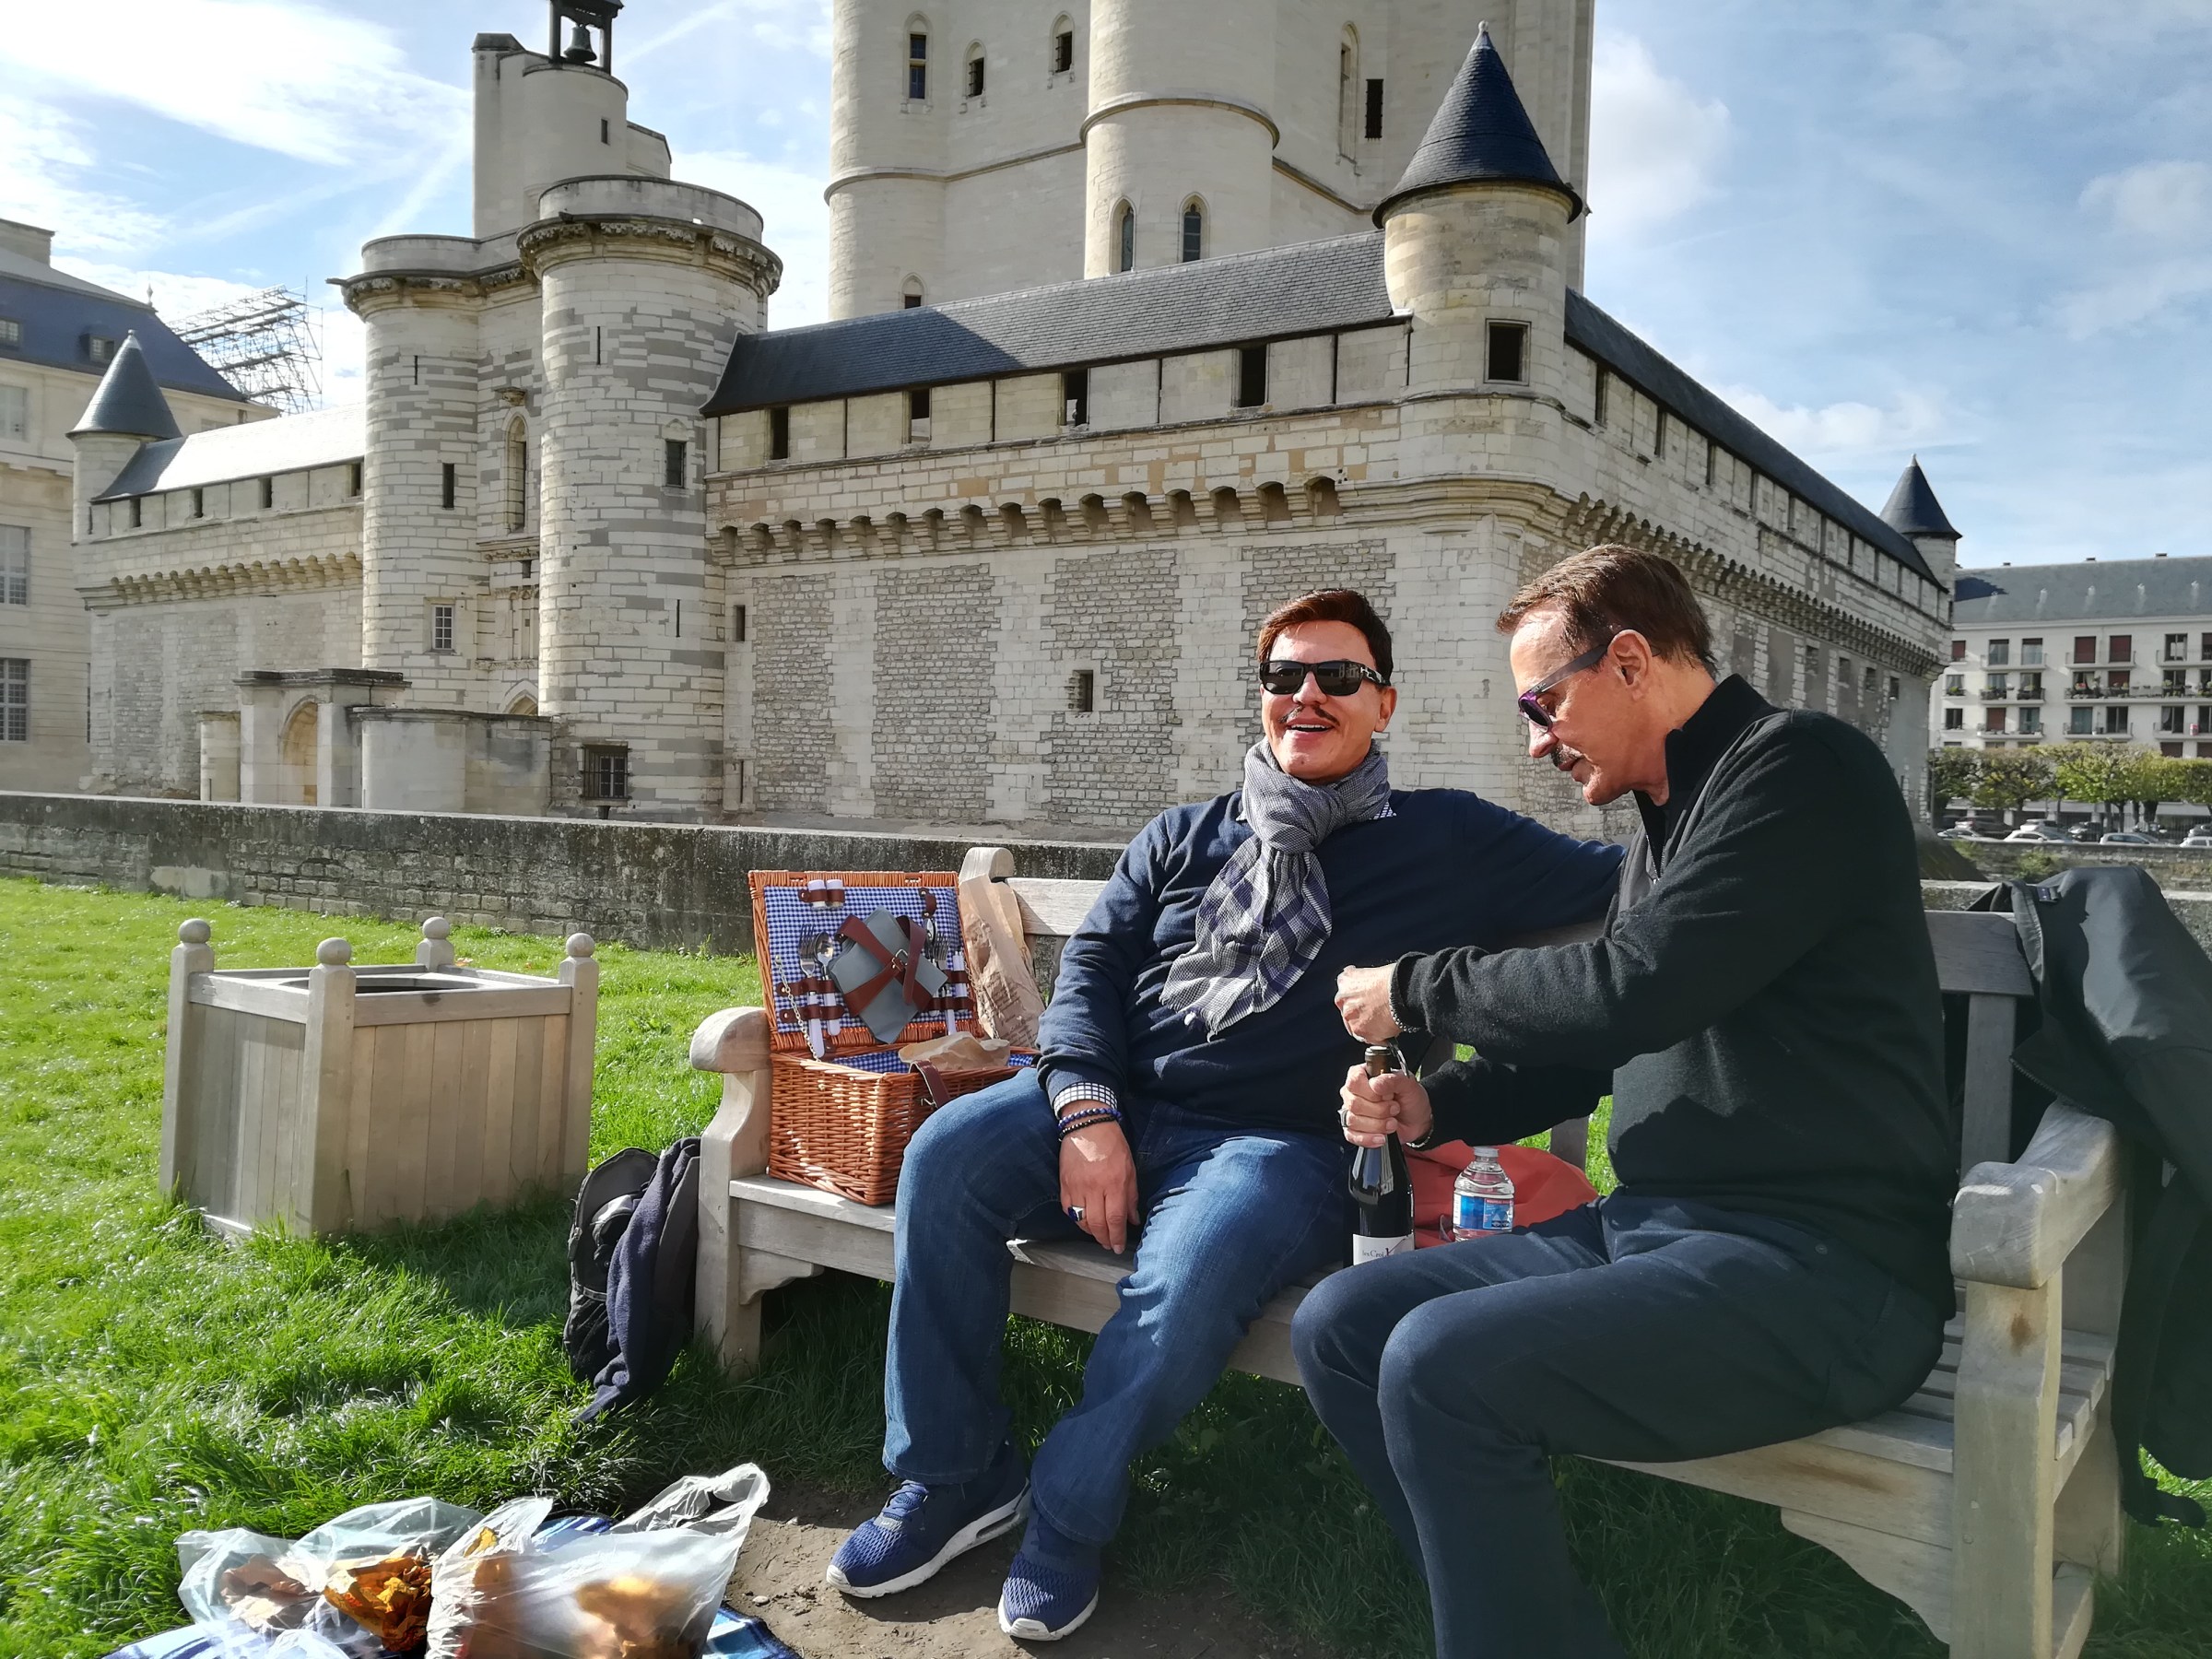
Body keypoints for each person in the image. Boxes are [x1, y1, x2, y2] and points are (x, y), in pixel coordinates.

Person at [827, 589, 1622, 1641]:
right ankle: (955, 1474)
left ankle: (1065, 1517)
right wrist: (1085, 1115)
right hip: (1126, 1104)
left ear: (1383, 703)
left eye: (1338, 677)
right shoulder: (1183, 835)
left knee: (1194, 1270)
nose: (1307, 695)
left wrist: (1740, 811)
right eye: (1284, 677)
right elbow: (1092, 977)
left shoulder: (1452, 839)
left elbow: (1633, 882)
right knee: (945, 1159)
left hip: (1279, 1146)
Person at [1302, 545, 1957, 1659]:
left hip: (1826, 1270)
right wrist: (1435, 1106)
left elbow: (1633, 988)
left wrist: (1416, 983)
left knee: (1440, 1363)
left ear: (1634, 660)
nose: (1535, 739)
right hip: (1660, 1236)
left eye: (1543, 701)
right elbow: (1618, 1043)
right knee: (1345, 1327)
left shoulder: (1799, 770)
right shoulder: (1666, 818)